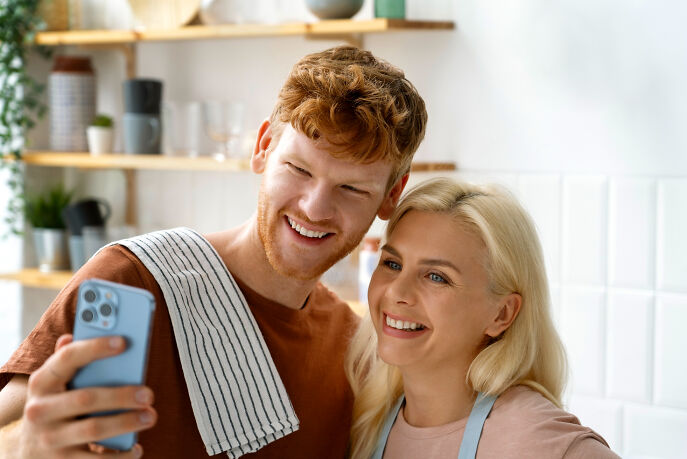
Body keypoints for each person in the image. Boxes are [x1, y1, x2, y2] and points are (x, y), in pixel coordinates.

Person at [0, 46, 427, 458]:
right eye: (298, 169)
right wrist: (24, 447)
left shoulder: (354, 350)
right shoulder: (131, 279)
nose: (314, 209)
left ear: (391, 196)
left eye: (351, 188)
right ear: (262, 148)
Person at [345, 178, 620, 459]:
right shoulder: (372, 421)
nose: (397, 291)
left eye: (436, 277)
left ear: (501, 314)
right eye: (392, 264)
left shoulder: (540, 441)